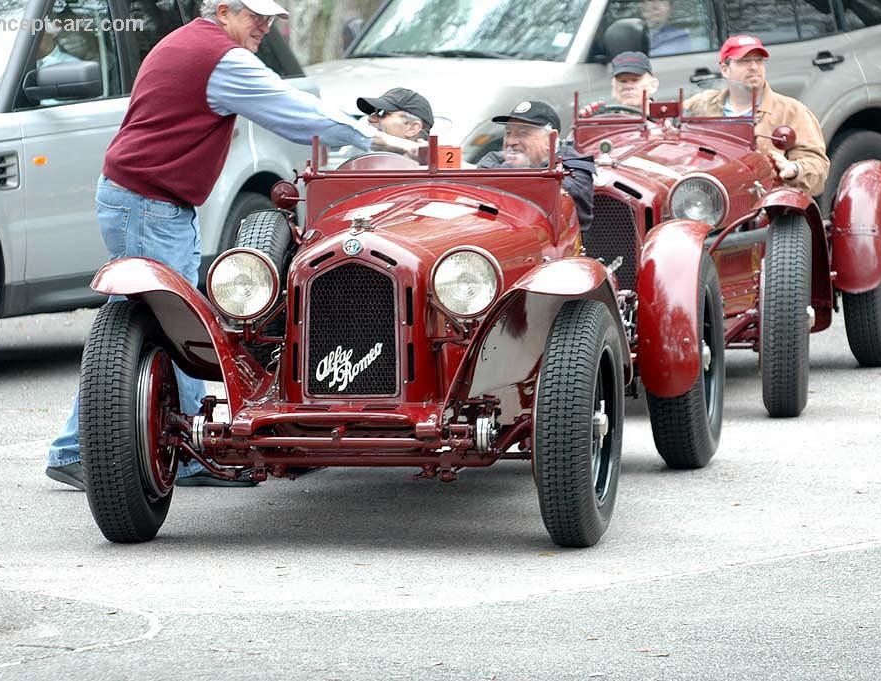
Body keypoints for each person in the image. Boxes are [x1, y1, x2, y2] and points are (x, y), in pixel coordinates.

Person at [45, 0, 422, 491]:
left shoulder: (187, 43)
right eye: (255, 16)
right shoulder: (220, 57)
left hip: (145, 198)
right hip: (148, 202)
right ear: (223, 11)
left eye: (269, 18)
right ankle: (186, 457)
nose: (265, 27)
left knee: (141, 325)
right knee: (165, 324)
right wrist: (376, 141)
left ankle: (80, 448)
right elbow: (293, 112)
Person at [684, 35, 830, 196]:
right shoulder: (701, 105)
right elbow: (666, 127)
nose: (754, 67)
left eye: (759, 60)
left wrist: (794, 169)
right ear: (725, 70)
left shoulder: (792, 111)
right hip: (708, 202)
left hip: (767, 210)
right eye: (744, 61)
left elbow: (818, 167)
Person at [477, 100, 595, 231]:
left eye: (523, 133)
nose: (510, 141)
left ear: (551, 138)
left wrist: (515, 170)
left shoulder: (575, 169)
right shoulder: (494, 159)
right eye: (508, 133)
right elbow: (482, 173)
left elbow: (558, 192)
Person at [580, 51, 659, 117]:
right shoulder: (603, 120)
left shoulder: (667, 119)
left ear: (653, 85)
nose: (628, 86)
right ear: (614, 88)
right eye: (622, 81)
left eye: (635, 80)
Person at [357, 87, 434, 141]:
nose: (370, 118)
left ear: (412, 128)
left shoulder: (435, 163)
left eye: (383, 114)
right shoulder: (357, 155)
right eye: (375, 112)